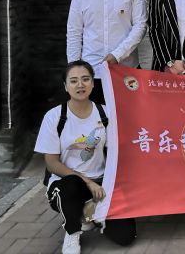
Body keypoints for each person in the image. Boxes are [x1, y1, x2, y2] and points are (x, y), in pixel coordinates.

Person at [35, 60, 136, 253]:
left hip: (100, 182)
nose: (80, 85)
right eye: (73, 81)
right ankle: (72, 231)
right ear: (66, 86)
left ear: (92, 83)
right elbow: (52, 163)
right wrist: (87, 182)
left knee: (125, 236)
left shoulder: (105, 113)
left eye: (85, 79)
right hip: (67, 183)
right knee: (71, 186)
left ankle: (92, 213)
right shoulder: (54, 117)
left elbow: (117, 152)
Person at [67, 0, 147, 105]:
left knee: (129, 116)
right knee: (96, 119)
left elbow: (140, 26)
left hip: (127, 70)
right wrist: (74, 68)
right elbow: (74, 32)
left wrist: (117, 55)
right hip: (91, 72)